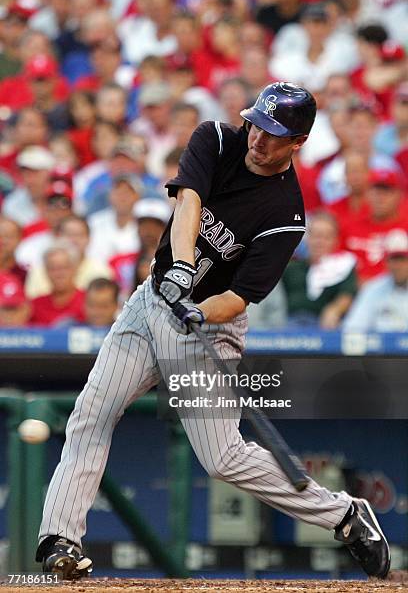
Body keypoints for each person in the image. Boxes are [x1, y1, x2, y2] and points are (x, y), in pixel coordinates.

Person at [35, 82, 390, 581]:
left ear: (298, 142)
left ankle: (344, 514)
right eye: (257, 124)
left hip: (205, 326)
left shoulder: (285, 217)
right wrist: (180, 268)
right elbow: (187, 205)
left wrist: (199, 311)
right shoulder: (217, 139)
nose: (259, 139)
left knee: (222, 459)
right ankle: (61, 540)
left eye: (273, 134)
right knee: (91, 414)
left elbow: (239, 298)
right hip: (151, 301)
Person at [282, 212, 357, 328]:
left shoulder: (343, 268)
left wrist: (335, 310)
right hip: (287, 323)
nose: (319, 242)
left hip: (323, 325)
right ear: (307, 238)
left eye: (326, 237)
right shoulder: (291, 268)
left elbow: (346, 296)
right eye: (316, 236)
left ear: (335, 241)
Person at [343, 230, 408, 331]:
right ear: (386, 262)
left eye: (402, 259)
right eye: (393, 259)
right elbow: (353, 328)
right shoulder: (373, 289)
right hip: (384, 346)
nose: (398, 266)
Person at [30, 239, 85, 326]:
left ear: (75, 269)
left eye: (64, 268)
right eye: (53, 268)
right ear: (46, 271)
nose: (59, 274)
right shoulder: (35, 306)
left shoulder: (88, 302)